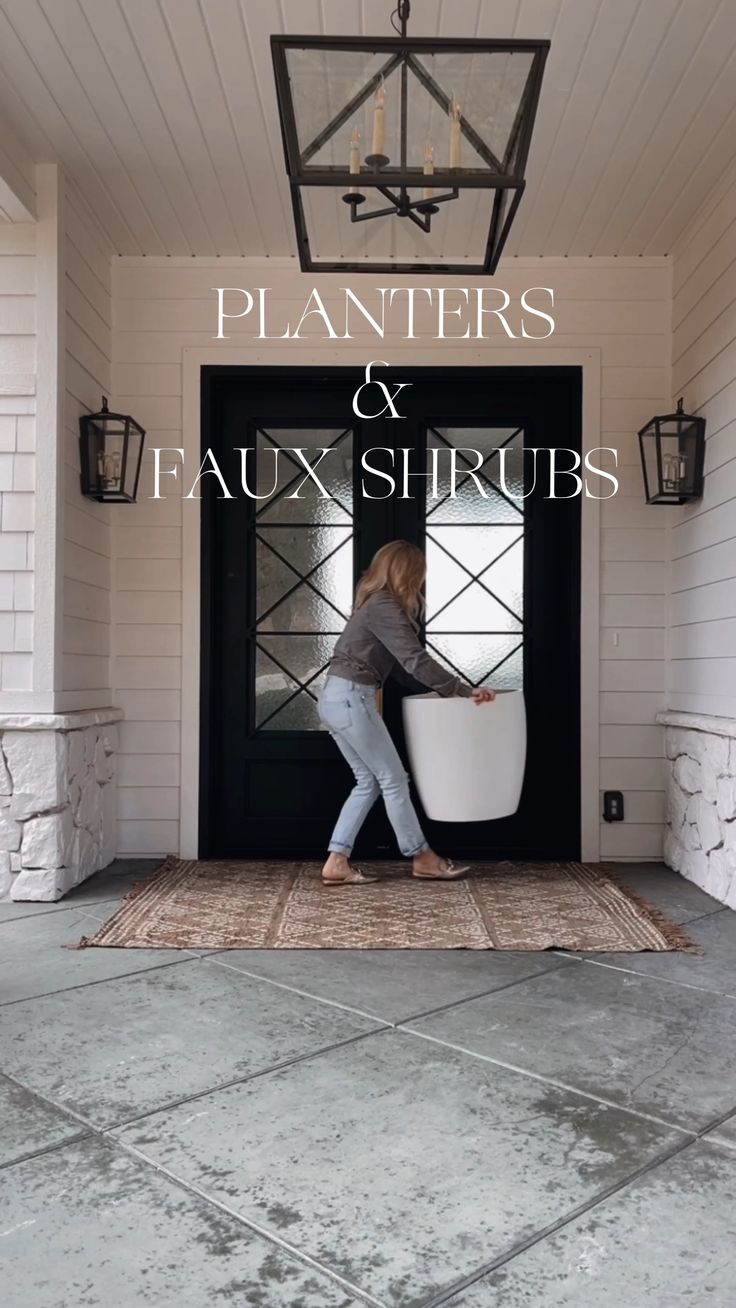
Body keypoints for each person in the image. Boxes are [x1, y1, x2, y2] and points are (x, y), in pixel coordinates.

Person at [318, 540, 495, 886]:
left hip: (338, 697)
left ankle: (336, 861)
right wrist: (460, 689)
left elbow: (402, 669)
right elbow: (415, 660)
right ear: (409, 572)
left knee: (369, 781)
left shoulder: (375, 604)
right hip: (352, 697)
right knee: (394, 780)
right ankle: (423, 856)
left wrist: (448, 692)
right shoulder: (384, 604)